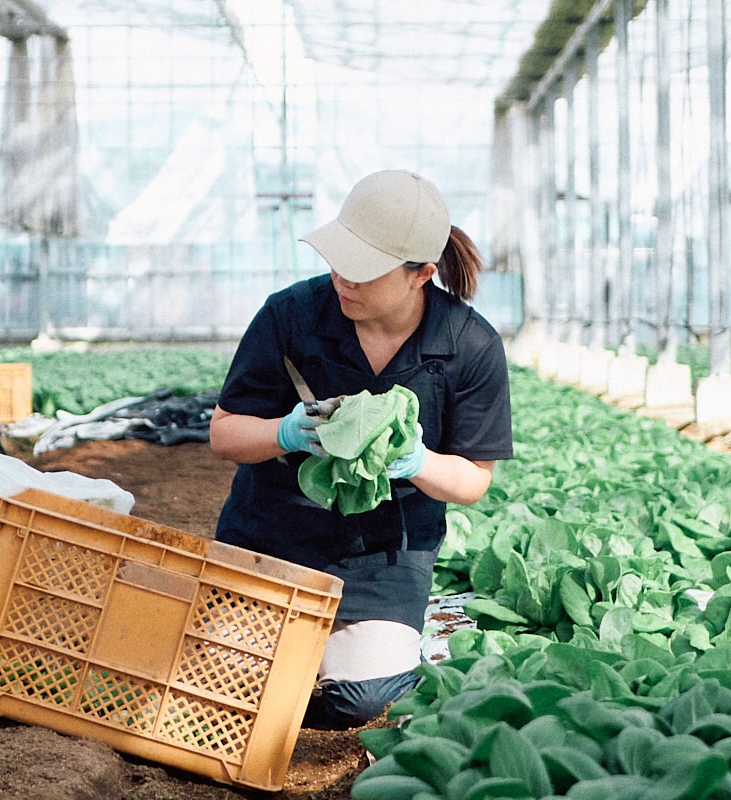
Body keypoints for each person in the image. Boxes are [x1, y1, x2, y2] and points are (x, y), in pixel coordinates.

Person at [209, 170, 513, 729]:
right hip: (270, 530)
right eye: (339, 260)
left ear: (421, 274)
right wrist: (283, 431)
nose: (343, 279)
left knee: (360, 699)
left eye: (364, 271)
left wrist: (419, 463)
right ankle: (296, 649)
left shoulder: (470, 345)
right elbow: (224, 432)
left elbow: (474, 480)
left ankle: (385, 648)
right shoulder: (290, 315)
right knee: (230, 681)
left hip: (384, 551)